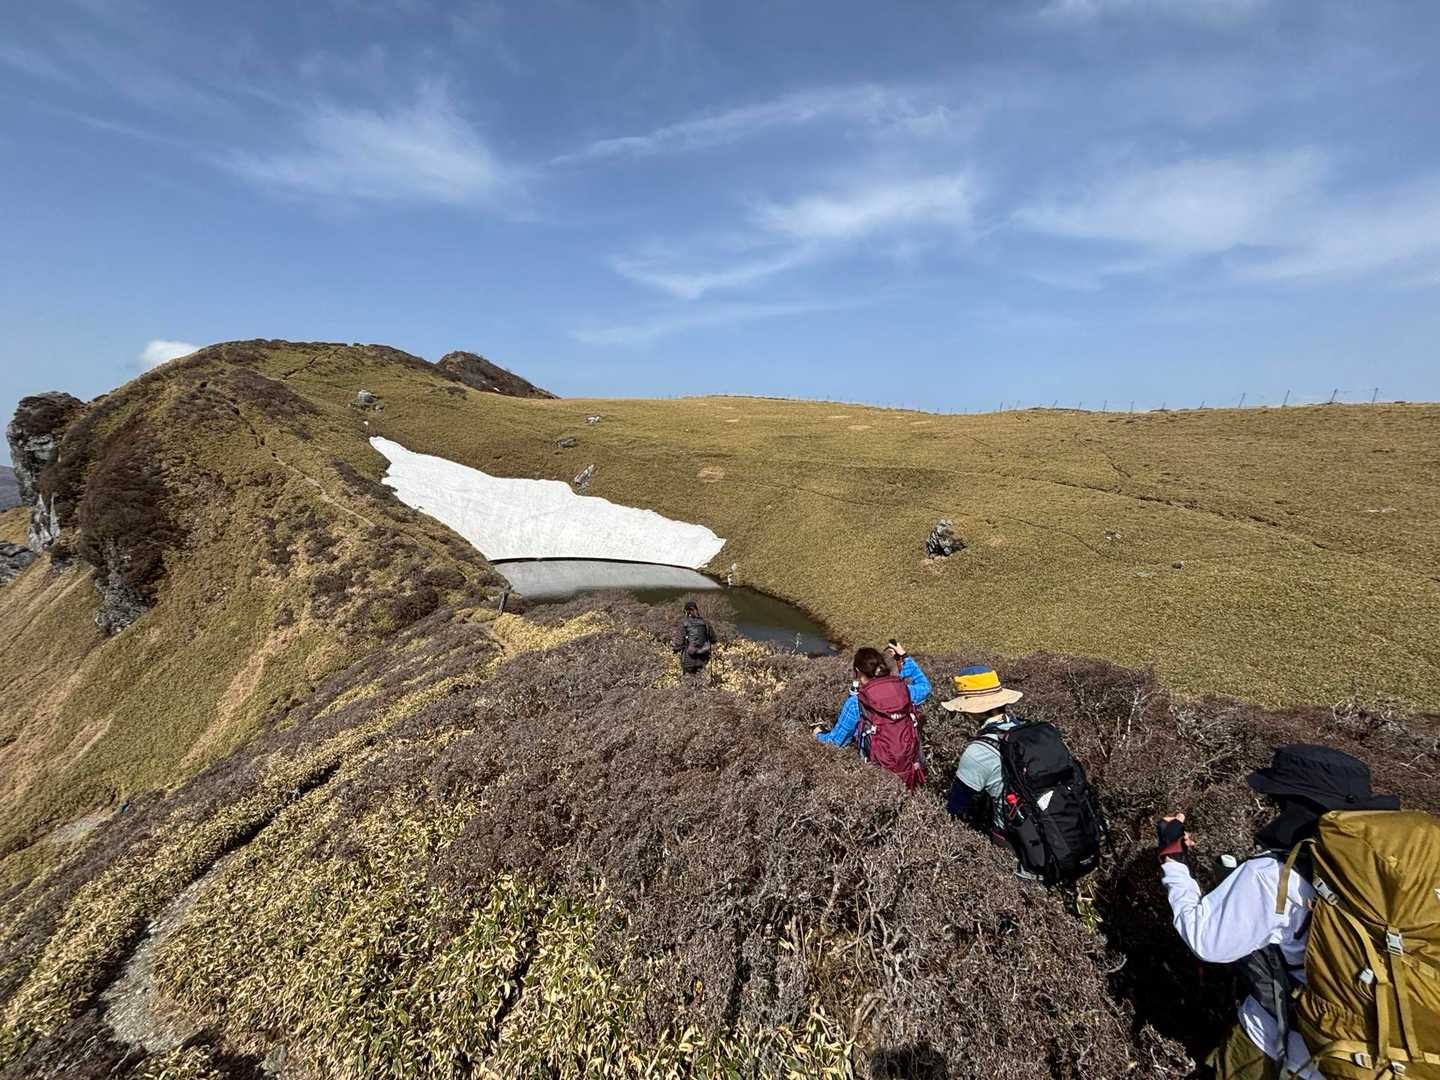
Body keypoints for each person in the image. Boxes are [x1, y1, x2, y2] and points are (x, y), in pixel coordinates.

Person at [1157, 745, 1401, 1079]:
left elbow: (1207, 941)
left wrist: (1173, 860)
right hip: (1377, 1055)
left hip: (1278, 1043)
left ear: (1293, 804)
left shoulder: (1274, 875)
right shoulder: (1394, 870)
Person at [814, 644, 929, 788]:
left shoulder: (857, 702)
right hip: (910, 770)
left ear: (858, 671)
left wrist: (818, 734)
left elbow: (837, 742)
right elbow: (925, 686)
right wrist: (904, 657)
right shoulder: (905, 692)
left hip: (878, 779)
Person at [942, 665, 1024, 835]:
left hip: (1017, 837)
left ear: (974, 710)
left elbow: (955, 805)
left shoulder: (978, 751)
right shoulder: (1029, 728)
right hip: (1065, 822)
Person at [672, 600, 715, 675]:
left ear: (686, 611)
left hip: (688, 659)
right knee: (701, 677)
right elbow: (713, 639)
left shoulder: (684, 623)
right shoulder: (705, 622)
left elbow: (679, 642)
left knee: (688, 679)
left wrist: (675, 649)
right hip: (703, 658)